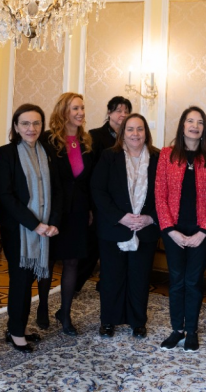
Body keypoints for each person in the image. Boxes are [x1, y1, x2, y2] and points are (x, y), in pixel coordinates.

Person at [154, 106, 206, 351]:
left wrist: (204, 231)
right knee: (176, 281)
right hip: (172, 230)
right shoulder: (167, 154)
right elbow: (159, 194)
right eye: (190, 121)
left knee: (193, 282)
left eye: (200, 122)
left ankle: (191, 330)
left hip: (201, 232)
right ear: (182, 125)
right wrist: (170, 230)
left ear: (204, 128)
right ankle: (177, 329)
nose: (195, 126)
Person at [0, 104, 62, 354]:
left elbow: (58, 190)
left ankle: (18, 327)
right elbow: (6, 195)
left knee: (30, 279)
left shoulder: (48, 151)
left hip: (46, 228)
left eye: (36, 123)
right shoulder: (6, 153)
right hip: (18, 229)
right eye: (25, 123)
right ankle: (15, 332)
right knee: (21, 280)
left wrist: (53, 222)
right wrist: (36, 225)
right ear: (16, 126)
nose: (31, 128)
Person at [91, 113, 161, 339]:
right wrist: (121, 217)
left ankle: (137, 321)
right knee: (112, 277)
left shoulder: (158, 158)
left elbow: (166, 195)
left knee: (139, 278)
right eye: (130, 129)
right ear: (122, 133)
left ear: (146, 133)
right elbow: (98, 191)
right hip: (114, 228)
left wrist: (150, 218)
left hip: (145, 229)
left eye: (140, 129)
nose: (135, 134)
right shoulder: (109, 156)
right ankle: (108, 320)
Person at [37, 92, 95, 336]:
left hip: (78, 211)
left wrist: (89, 208)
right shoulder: (48, 140)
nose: (80, 113)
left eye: (82, 108)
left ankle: (65, 313)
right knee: (48, 261)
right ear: (64, 112)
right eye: (75, 108)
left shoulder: (86, 142)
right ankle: (42, 306)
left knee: (72, 262)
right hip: (53, 211)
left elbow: (89, 181)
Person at [78, 96, 133, 294]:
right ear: (109, 113)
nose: (122, 115)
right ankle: (74, 286)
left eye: (126, 111)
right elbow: (89, 173)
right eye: (118, 110)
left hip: (121, 205)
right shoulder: (95, 136)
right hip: (99, 201)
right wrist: (90, 206)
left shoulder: (131, 137)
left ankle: (106, 285)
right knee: (92, 249)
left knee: (114, 250)